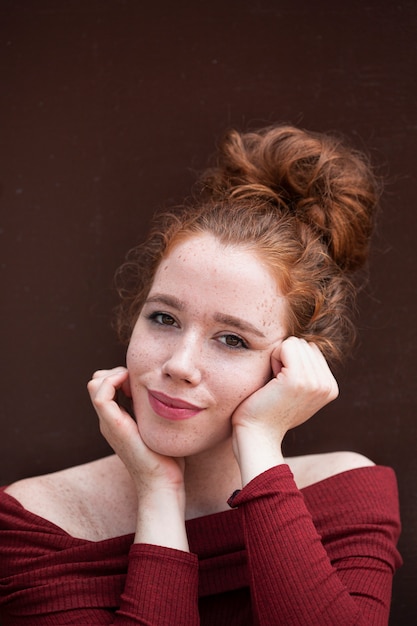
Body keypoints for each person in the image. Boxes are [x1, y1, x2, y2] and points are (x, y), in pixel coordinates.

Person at [0, 124, 402, 625]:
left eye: (233, 339)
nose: (179, 365)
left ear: (293, 363)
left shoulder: (347, 495)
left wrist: (257, 440)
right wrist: (158, 494)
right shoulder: (37, 520)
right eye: (164, 318)